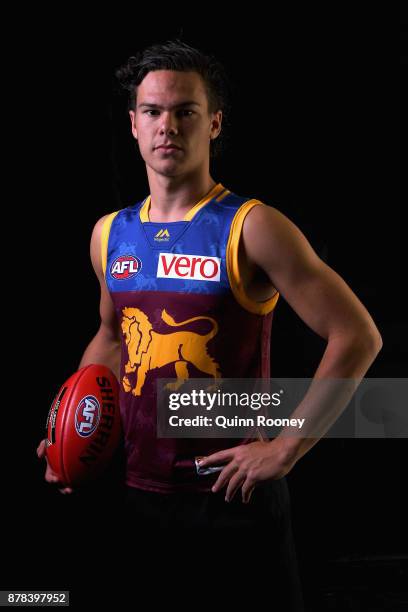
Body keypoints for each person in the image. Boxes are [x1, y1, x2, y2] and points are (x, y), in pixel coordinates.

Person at [37, 40, 382, 610]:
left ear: (214, 122)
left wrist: (287, 448)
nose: (166, 126)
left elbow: (357, 335)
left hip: (229, 501)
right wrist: (72, 434)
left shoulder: (252, 226)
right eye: (152, 111)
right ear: (132, 124)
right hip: (135, 497)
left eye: (185, 111)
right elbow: (111, 337)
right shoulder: (109, 233)